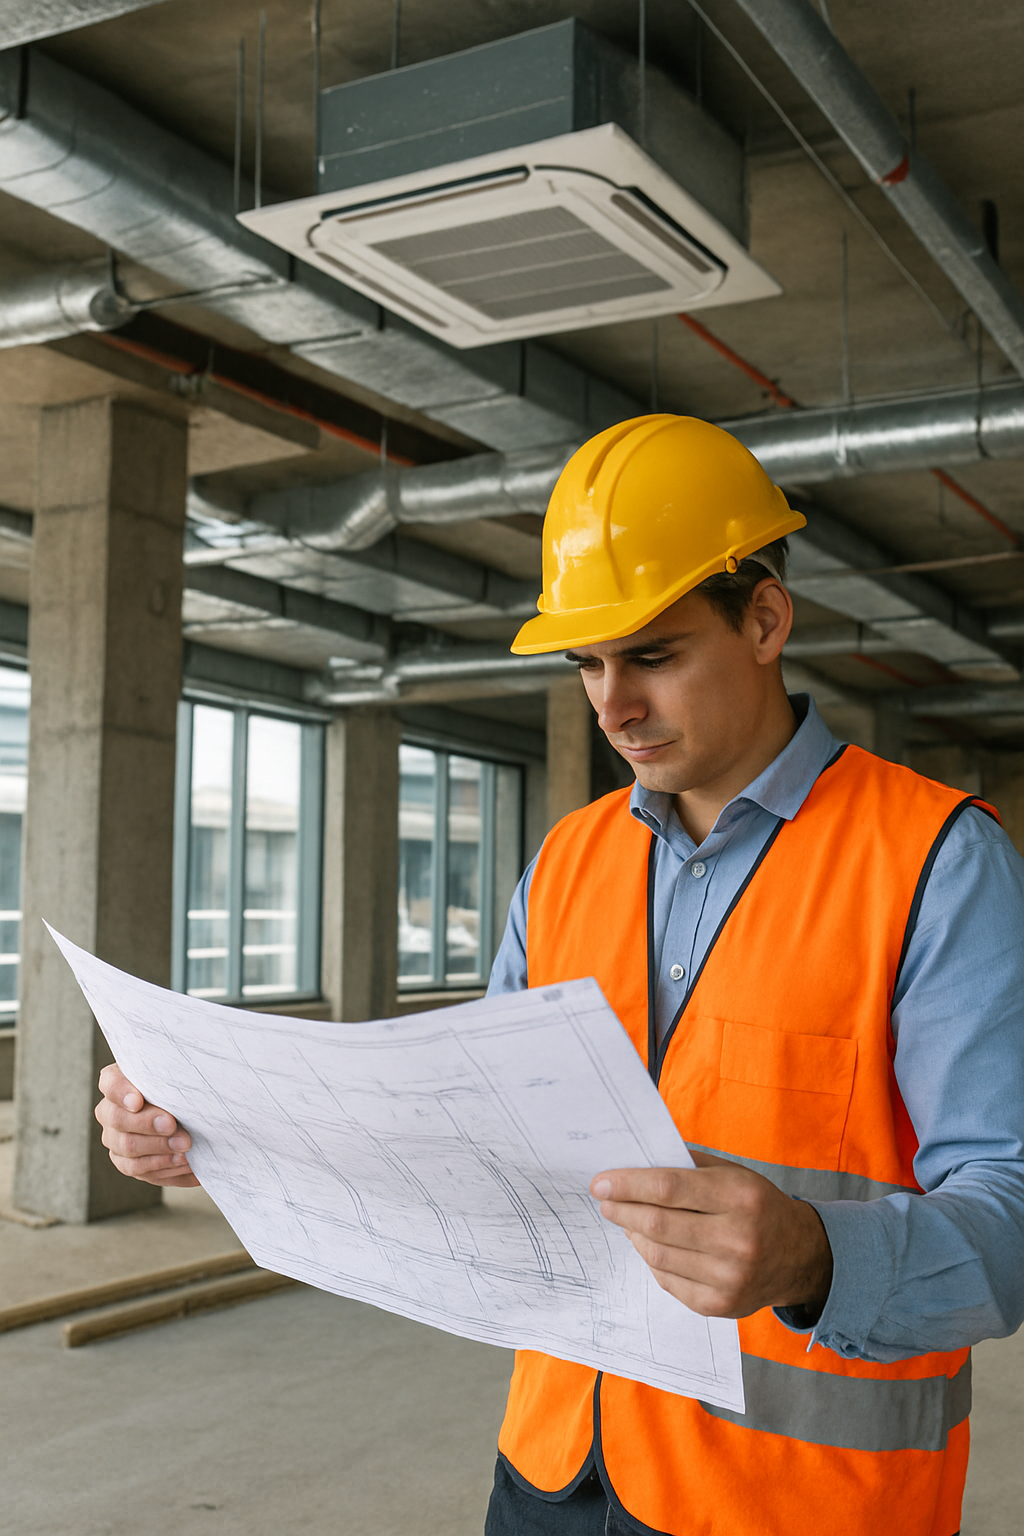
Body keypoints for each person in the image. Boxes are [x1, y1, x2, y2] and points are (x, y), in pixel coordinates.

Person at [97, 416, 1024, 1536]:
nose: (611, 705)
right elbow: (476, 1146)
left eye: (652, 653)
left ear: (766, 617)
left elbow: (1008, 1214)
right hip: (552, 1468)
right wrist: (224, 1138)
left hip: (794, 1502)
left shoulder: (934, 862)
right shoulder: (566, 863)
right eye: (587, 662)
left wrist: (817, 1254)